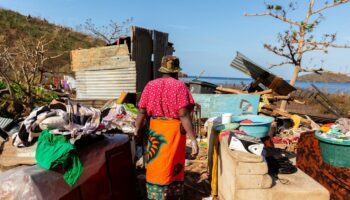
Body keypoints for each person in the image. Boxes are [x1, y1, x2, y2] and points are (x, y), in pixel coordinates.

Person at [135, 55, 199, 200]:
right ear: (176, 71)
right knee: (172, 163)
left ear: (162, 69)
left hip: (156, 130)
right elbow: (183, 114)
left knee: (156, 163)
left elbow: (141, 111)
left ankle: (155, 194)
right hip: (174, 132)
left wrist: (136, 128)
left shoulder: (150, 85)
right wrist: (193, 139)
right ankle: (172, 193)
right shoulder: (180, 86)